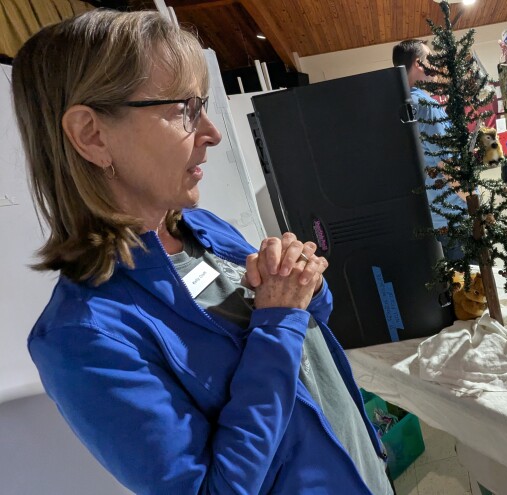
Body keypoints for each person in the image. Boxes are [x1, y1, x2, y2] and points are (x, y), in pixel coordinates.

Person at [13, 10, 393, 495]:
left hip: (360, 468)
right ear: (92, 134)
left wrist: (305, 285)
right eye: (185, 109)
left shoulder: (199, 227)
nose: (211, 132)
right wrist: (277, 322)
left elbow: (308, 327)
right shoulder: (81, 338)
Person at [393, 39, 468, 258]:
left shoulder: (401, 105)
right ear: (418, 63)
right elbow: (447, 163)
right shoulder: (425, 105)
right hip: (455, 215)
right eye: (431, 59)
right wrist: (474, 203)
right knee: (475, 285)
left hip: (433, 215)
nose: (434, 66)